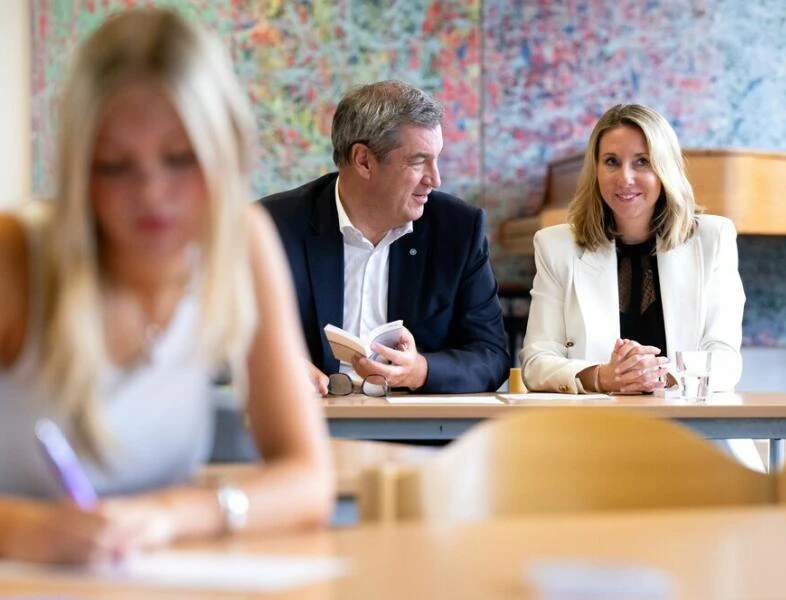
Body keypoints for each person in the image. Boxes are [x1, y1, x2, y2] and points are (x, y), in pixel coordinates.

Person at [0, 8, 333, 565]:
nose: (152, 194)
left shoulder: (240, 242)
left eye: (180, 159)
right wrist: (23, 531)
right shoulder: (18, 258)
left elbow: (308, 478)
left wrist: (167, 515)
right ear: (78, 169)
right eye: (113, 166)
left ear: (224, 150)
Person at [261, 80, 510, 395]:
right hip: (312, 424)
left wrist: (420, 370)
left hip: (420, 430)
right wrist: (279, 363)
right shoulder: (272, 227)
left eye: (437, 159)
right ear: (364, 160)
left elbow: (491, 355)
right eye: (418, 161)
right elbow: (224, 336)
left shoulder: (458, 229)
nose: (435, 178)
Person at [520, 103, 745, 395]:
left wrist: (653, 376)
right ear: (596, 170)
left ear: (664, 169)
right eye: (611, 162)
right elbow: (536, 364)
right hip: (591, 430)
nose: (625, 178)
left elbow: (726, 361)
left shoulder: (714, 239)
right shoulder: (555, 246)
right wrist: (603, 377)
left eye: (642, 162)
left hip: (687, 429)